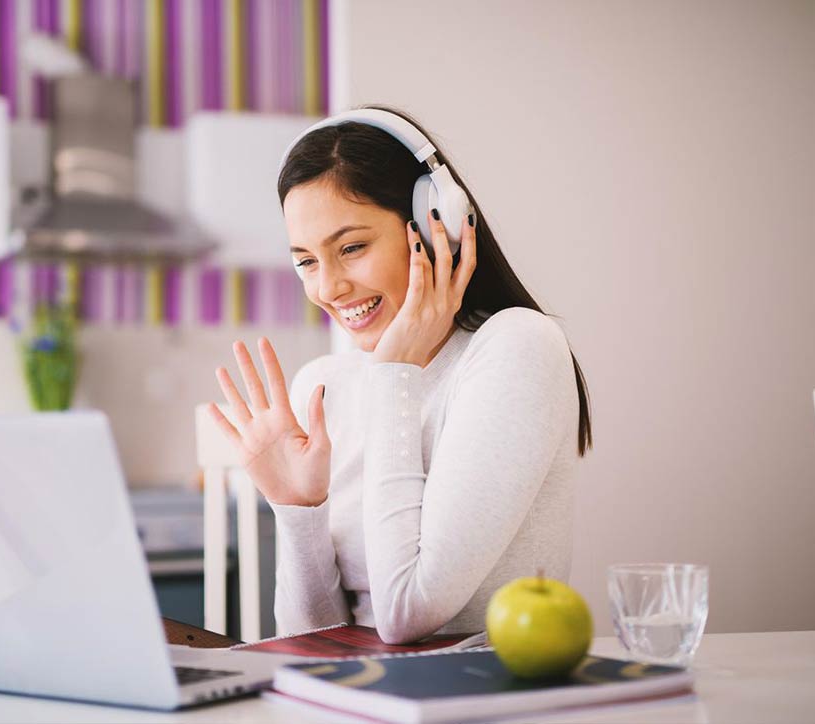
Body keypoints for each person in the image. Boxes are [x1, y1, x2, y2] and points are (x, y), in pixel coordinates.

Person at [208, 105, 593, 645]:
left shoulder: (517, 348)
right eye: (306, 262)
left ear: (437, 226)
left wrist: (394, 375)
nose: (329, 288)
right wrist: (299, 510)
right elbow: (313, 643)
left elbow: (407, 613)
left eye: (351, 248)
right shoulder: (325, 386)